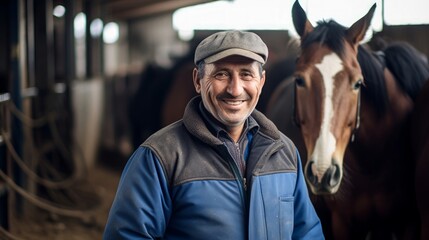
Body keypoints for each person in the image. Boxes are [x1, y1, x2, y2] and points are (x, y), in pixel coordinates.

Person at [103, 30, 324, 239]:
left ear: (261, 82)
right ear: (198, 81)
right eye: (221, 74)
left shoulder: (284, 153)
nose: (235, 89)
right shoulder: (160, 157)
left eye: (246, 74)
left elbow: (307, 232)